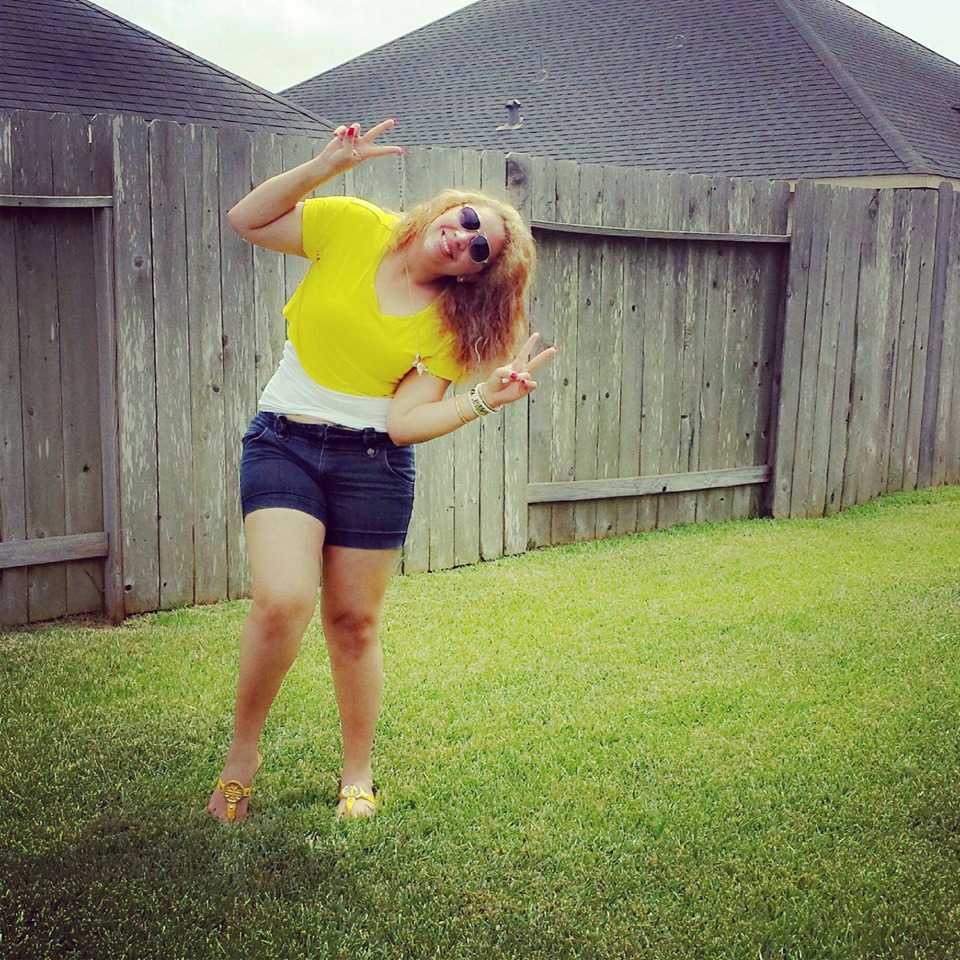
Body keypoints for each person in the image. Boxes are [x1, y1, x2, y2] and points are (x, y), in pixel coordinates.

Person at [206, 118, 556, 822]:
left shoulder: (451, 324)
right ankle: (242, 758)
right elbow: (247, 220)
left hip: (373, 463)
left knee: (354, 623)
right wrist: (323, 167)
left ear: (475, 274)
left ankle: (357, 775)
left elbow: (404, 423)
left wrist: (484, 399)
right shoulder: (354, 226)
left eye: (479, 248)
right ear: (449, 207)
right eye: (467, 220)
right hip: (284, 441)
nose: (463, 238)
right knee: (283, 599)